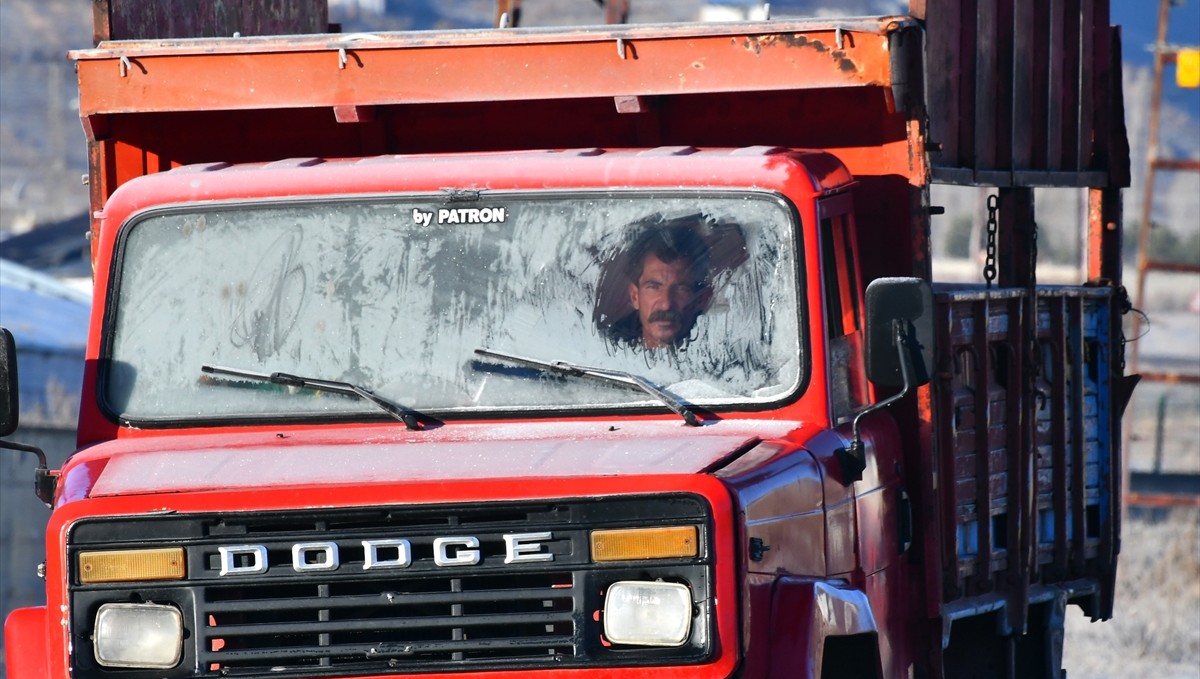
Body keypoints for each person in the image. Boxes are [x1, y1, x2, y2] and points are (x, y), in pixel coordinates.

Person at [610, 217, 713, 349]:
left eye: (681, 289)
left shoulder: (723, 352)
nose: (666, 305)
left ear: (702, 299)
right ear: (634, 296)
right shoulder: (602, 351)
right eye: (654, 287)